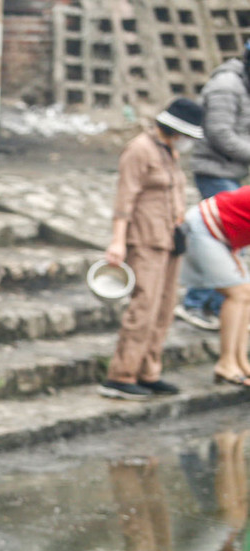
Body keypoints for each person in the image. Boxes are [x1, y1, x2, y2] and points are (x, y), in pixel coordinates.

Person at [98, 97, 203, 401]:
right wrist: (118, 241)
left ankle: (148, 371)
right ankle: (121, 374)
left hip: (169, 239)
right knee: (143, 307)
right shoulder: (139, 150)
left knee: (164, 307)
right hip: (144, 239)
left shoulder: (168, 150)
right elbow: (125, 199)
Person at [181, 40, 250, 330]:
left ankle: (217, 306)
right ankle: (195, 304)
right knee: (220, 239)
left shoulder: (243, 84)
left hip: (232, 170)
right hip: (214, 170)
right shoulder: (226, 86)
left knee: (227, 242)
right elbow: (220, 133)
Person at [179, 183, 250, 386]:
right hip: (204, 227)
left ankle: (241, 361)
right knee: (238, 293)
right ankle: (226, 362)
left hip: (223, 234)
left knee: (245, 293)